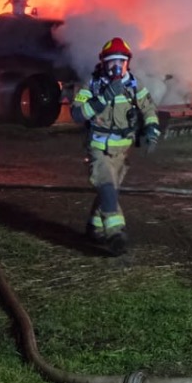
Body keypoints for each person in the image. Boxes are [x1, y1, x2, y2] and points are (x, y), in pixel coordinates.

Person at [71, 37, 160, 255]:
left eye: (121, 61)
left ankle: (95, 226)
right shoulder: (92, 85)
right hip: (98, 148)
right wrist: (103, 97)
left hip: (122, 150)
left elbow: (149, 110)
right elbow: (78, 113)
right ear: (103, 63)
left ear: (128, 62)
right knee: (107, 187)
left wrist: (151, 132)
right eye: (111, 62)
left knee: (110, 190)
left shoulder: (134, 85)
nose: (116, 67)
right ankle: (115, 234)